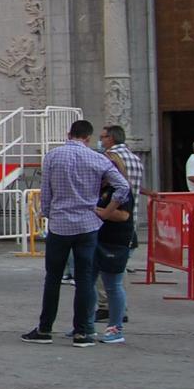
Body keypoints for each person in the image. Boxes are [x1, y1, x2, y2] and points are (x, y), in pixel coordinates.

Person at [23, 120, 128, 347]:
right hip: (88, 224)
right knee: (84, 279)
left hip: (60, 224)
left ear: (68, 134)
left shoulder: (53, 156)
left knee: (53, 278)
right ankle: (82, 332)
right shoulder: (98, 158)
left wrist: (48, 213)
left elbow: (47, 191)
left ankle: (45, 328)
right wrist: (105, 211)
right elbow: (123, 187)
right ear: (88, 138)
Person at [95, 125, 144, 343]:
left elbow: (120, 213)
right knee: (107, 276)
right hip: (127, 225)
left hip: (116, 231)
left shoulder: (112, 161)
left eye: (103, 137)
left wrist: (99, 211)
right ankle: (106, 316)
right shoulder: (135, 158)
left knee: (111, 280)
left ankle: (114, 316)